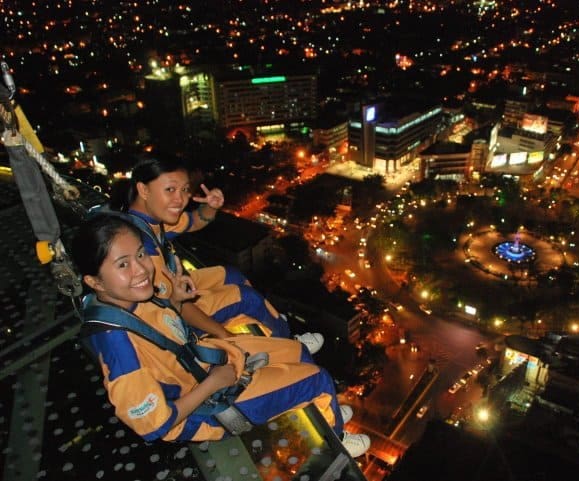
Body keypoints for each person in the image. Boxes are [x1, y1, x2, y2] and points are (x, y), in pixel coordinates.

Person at [72, 213, 369, 456]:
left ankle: (328, 408)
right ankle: (336, 434)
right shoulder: (118, 348)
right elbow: (153, 426)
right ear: (94, 281)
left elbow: (165, 333)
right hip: (209, 406)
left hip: (207, 365)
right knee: (317, 380)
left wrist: (174, 300)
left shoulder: (127, 299)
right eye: (123, 264)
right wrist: (213, 384)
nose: (141, 270)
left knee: (298, 353)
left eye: (140, 255)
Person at [109, 154, 323, 353]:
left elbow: (193, 221)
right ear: (144, 190)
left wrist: (211, 206)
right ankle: (288, 344)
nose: (181, 199)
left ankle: (270, 319)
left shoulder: (146, 219)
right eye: (170, 190)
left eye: (184, 190)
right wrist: (226, 336)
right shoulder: (142, 250)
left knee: (232, 275)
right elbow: (177, 309)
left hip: (173, 285)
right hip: (168, 323)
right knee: (246, 298)